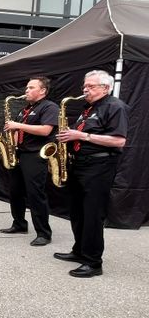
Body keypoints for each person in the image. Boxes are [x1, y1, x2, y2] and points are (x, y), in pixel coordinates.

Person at [54, 70, 127, 278]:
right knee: (77, 211)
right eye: (85, 86)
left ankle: (94, 262)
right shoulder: (88, 108)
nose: (85, 90)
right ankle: (79, 251)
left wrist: (82, 135)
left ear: (106, 87)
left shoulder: (115, 106)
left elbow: (119, 141)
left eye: (91, 86)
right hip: (79, 165)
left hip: (100, 166)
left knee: (93, 214)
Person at [0, 77, 58, 246]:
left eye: (31, 87)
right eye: (26, 87)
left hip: (35, 155)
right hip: (19, 153)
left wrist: (18, 125)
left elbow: (45, 130)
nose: (26, 90)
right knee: (15, 191)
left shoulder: (49, 107)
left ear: (42, 91)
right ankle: (19, 224)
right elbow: (19, 130)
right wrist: (11, 140)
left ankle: (44, 233)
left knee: (35, 194)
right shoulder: (25, 109)